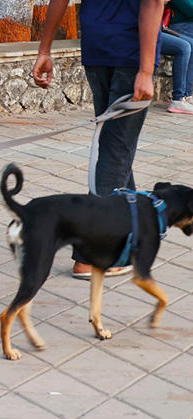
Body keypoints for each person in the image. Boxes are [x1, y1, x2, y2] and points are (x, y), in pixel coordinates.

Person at [33, 0, 163, 279]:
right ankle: (89, 254)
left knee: (114, 146)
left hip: (97, 47)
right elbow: (153, 3)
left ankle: (134, 231)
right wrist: (146, 71)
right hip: (131, 53)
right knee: (115, 152)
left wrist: (44, 50)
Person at [161, 1, 193, 113]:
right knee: (185, 47)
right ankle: (179, 98)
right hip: (177, 25)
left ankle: (186, 95)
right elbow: (190, 9)